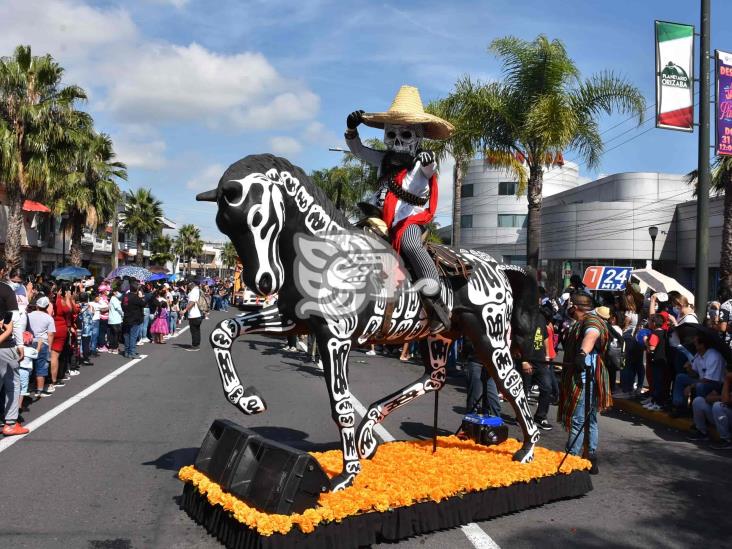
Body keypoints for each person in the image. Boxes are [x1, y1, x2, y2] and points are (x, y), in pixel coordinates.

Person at [345, 85, 454, 333]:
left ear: (417, 137)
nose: (396, 142)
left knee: (411, 245)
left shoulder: (422, 163)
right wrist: (352, 129)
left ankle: (434, 297)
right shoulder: (382, 159)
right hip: (378, 218)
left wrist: (428, 161)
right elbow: (358, 150)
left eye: (404, 136)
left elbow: (430, 170)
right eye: (391, 135)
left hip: (408, 221)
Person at [557, 293, 611, 474]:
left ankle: (571, 458)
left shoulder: (591, 320)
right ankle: (590, 456)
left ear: (575, 306)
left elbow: (592, 334)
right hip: (586, 373)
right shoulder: (582, 321)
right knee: (589, 418)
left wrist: (582, 354)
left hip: (586, 374)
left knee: (580, 418)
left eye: (570, 305)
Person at [0, 259, 28, 435]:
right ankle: (10, 423)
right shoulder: (5, 290)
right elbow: (15, 320)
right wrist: (20, 344)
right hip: (5, 345)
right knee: (13, 381)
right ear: (2, 271)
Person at [671, 334, 726, 414]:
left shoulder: (713, 356)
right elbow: (695, 374)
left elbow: (708, 380)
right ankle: (679, 405)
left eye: (696, 341)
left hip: (714, 383)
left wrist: (691, 386)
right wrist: (689, 368)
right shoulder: (698, 355)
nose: (694, 343)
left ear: (702, 345)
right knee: (680, 377)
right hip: (702, 380)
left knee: (700, 386)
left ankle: (699, 411)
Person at [688, 371, 732, 449]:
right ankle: (702, 432)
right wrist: (721, 396)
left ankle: (727, 440)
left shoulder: (727, 382)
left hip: (728, 418)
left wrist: (727, 381)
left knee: (717, 406)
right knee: (698, 401)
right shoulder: (725, 384)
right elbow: (708, 398)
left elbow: (726, 401)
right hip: (721, 417)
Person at [28, 296, 55, 397]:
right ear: (47, 306)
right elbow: (51, 334)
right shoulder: (49, 318)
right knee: (41, 366)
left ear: (36, 305)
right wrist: (49, 347)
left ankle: (27, 388)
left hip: (29, 342)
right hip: (43, 343)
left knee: (28, 366)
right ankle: (39, 390)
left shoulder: (29, 315)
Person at [122, 281, 145, 359]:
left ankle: (127, 351)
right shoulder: (136, 297)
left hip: (126, 318)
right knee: (133, 336)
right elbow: (143, 304)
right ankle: (132, 352)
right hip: (135, 319)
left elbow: (122, 306)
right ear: (137, 289)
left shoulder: (125, 296)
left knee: (127, 335)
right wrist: (141, 297)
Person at [183, 281, 203, 351]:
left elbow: (192, 302)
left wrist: (185, 310)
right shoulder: (198, 290)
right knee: (197, 330)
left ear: (191, 284)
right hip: (198, 314)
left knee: (194, 331)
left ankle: (195, 346)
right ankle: (197, 344)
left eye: (188, 284)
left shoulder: (193, 292)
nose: (187, 286)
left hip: (194, 314)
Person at [77, 293, 94, 366]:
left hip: (79, 326)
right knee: (86, 344)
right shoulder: (89, 306)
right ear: (87, 298)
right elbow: (92, 314)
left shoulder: (77, 306)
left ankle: (77, 359)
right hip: (87, 328)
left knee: (77, 344)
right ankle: (85, 359)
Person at [107, 288, 124, 354]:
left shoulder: (112, 299)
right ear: (114, 292)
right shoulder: (115, 299)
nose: (119, 293)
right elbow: (119, 309)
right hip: (116, 319)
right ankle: (115, 348)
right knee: (116, 334)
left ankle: (111, 348)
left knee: (111, 334)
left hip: (111, 319)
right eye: (118, 292)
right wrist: (123, 314)